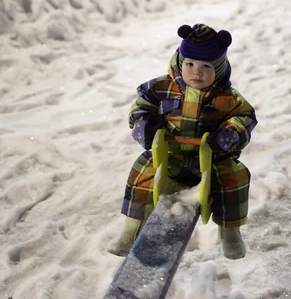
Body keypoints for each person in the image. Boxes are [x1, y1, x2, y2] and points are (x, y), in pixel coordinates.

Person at [108, 23, 258, 260]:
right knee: (142, 172)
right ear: (180, 61)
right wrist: (144, 124)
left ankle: (230, 231)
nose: (196, 72)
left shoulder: (228, 98)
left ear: (218, 69)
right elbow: (141, 105)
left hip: (212, 158)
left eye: (205, 66)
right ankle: (130, 229)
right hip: (170, 155)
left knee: (235, 177)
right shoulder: (161, 88)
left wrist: (230, 134)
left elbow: (245, 116)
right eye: (190, 64)